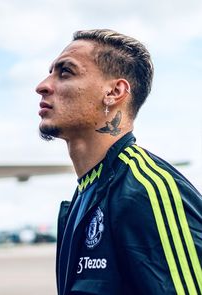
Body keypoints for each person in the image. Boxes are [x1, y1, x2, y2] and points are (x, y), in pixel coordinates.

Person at [36, 29, 202, 295]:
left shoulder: (145, 190)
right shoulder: (88, 191)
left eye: (65, 72)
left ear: (114, 92)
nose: (42, 85)